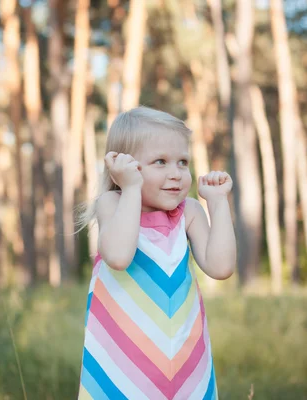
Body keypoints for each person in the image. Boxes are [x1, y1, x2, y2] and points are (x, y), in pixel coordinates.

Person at [76, 106, 236, 399]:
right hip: (123, 360)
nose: (176, 174)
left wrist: (217, 203)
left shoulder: (187, 211)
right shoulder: (113, 204)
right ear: (125, 167)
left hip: (184, 354)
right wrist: (132, 189)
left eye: (182, 162)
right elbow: (119, 256)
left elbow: (221, 266)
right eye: (160, 162)